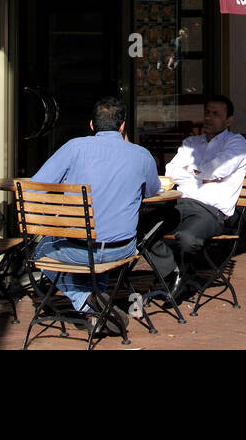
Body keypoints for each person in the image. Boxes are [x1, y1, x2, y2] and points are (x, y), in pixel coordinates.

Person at [30, 97, 161, 312]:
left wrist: (64, 185)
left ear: (91, 125)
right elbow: (153, 191)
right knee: (94, 255)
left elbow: (35, 187)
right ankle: (96, 304)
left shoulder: (74, 148)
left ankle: (84, 299)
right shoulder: (142, 155)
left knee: (40, 251)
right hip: (122, 249)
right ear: (122, 126)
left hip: (79, 249)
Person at [144, 95, 246, 290]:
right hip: (180, 204)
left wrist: (191, 170)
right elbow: (171, 172)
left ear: (228, 120)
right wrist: (201, 173)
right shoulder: (191, 142)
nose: (209, 118)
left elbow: (216, 170)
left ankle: (180, 276)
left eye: (216, 114)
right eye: (207, 113)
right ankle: (172, 274)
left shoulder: (236, 143)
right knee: (141, 228)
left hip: (211, 212)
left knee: (187, 239)